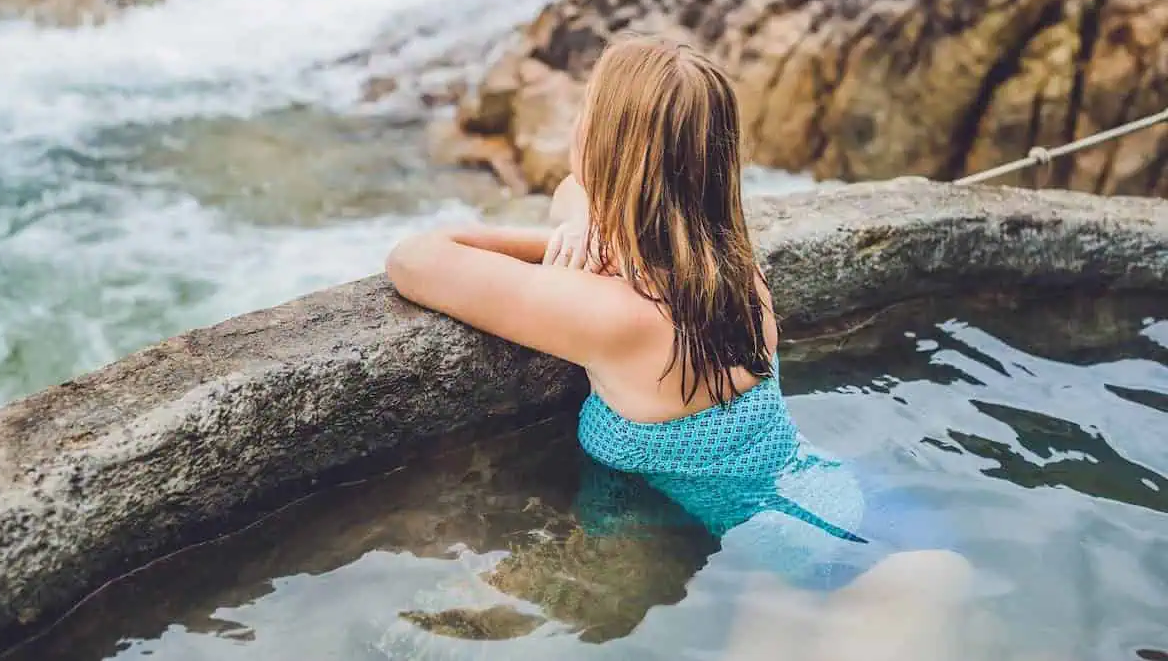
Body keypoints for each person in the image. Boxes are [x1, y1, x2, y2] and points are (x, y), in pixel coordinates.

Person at [386, 35, 973, 660]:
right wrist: (583, 224)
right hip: (857, 519)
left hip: (838, 555)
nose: (576, 120)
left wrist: (547, 243)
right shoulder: (735, 270)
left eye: (589, 108)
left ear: (608, 145)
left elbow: (414, 260)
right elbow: (571, 193)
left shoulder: (616, 317)